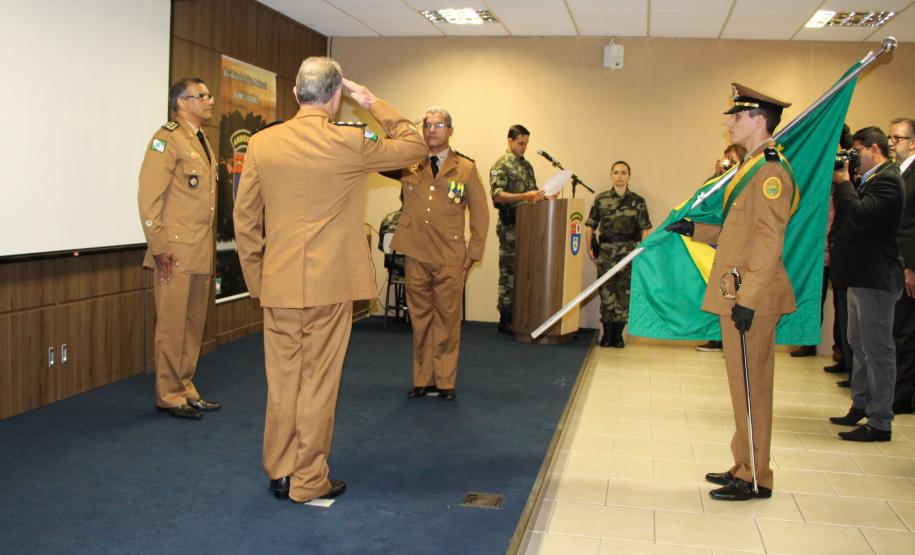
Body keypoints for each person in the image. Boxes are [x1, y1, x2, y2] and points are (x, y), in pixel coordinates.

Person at [233, 57, 427, 503]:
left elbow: (244, 219)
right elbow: (414, 146)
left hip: (279, 284)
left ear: (296, 95)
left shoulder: (262, 143)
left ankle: (280, 470)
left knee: (282, 381)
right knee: (318, 382)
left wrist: (259, 280)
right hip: (330, 286)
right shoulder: (350, 141)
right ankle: (308, 479)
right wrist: (371, 100)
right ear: (336, 97)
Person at [667, 83, 795, 500]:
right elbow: (739, 233)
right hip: (738, 290)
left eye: (736, 116)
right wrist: (696, 230)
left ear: (759, 120)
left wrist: (749, 300)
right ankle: (743, 462)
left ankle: (757, 476)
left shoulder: (771, 171)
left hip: (749, 296)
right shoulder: (750, 167)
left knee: (753, 385)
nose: (728, 122)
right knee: (741, 384)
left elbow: (768, 241)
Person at [385, 107, 489, 401]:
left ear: (450, 131)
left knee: (446, 319)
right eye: (427, 125)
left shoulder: (465, 168)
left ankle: (444, 381)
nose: (431, 130)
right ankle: (422, 379)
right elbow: (380, 148)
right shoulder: (409, 162)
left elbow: (480, 215)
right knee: (419, 320)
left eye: (438, 125)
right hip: (415, 251)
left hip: (449, 256)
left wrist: (473, 252)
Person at [138, 77, 221, 421]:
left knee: (192, 324)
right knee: (172, 326)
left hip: (199, 250)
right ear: (181, 103)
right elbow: (148, 198)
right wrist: (158, 246)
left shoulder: (201, 139)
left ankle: (186, 387)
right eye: (200, 96)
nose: (209, 100)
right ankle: (168, 395)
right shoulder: (166, 139)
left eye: (208, 94)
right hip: (173, 252)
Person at [828, 127, 905, 441]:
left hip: (876, 277)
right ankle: (860, 405)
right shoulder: (873, 177)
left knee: (877, 351)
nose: (853, 157)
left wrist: (845, 183)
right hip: (861, 276)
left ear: (875, 148)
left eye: (857, 151)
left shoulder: (888, 180)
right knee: (858, 345)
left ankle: (880, 421)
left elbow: (860, 214)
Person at [585, 161, 652, 348]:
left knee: (624, 295)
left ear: (629, 175)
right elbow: (590, 225)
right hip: (606, 252)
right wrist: (589, 248)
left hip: (629, 253)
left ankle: (618, 335)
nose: (619, 176)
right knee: (606, 293)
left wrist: (642, 251)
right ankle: (607, 334)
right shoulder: (601, 199)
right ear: (611, 175)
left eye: (623, 172)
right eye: (616, 172)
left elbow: (645, 229)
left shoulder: (638, 201)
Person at [490, 125, 545, 334]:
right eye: (521, 143)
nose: (524, 148)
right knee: (510, 272)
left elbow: (531, 193)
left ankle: (523, 314)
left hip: (529, 226)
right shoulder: (501, 165)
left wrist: (543, 197)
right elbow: (497, 195)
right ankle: (506, 316)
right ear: (510, 141)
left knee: (526, 271)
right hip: (510, 226)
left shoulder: (527, 166)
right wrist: (526, 197)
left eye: (526, 144)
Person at [696, 144, 746, 353]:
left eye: (733, 161)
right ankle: (718, 338)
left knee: (736, 295)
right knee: (719, 294)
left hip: (739, 249)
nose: (729, 165)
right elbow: (703, 199)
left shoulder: (745, 182)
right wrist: (717, 175)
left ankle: (733, 341)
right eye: (727, 160)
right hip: (717, 244)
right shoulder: (722, 182)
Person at [889, 118, 915, 414]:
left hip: (908, 262)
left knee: (906, 331)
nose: (893, 143)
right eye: (891, 137)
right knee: (896, 328)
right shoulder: (896, 172)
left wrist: (911, 266)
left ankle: (903, 394)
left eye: (899, 138)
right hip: (893, 261)